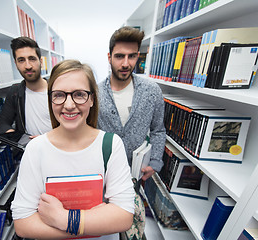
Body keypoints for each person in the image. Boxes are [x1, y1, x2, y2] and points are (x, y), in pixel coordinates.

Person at [11, 59, 135, 240]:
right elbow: (23, 223)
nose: (69, 105)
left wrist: (64, 219)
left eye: (79, 94)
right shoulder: (35, 149)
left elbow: (124, 216)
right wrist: (93, 225)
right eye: (59, 95)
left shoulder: (110, 145)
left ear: (92, 99)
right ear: (51, 99)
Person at [98, 26, 166, 181]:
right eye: (119, 56)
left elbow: (158, 130)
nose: (126, 64)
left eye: (132, 56)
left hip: (138, 172)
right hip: (104, 172)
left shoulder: (152, 90)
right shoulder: (95, 93)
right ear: (109, 57)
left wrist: (155, 162)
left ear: (138, 56)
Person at [0, 36, 51, 137]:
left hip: (56, 149)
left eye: (32, 59)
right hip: (28, 150)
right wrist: (20, 139)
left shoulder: (57, 90)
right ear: (16, 64)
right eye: (21, 60)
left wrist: (46, 140)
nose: (28, 66)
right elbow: (2, 124)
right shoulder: (15, 91)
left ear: (41, 62)